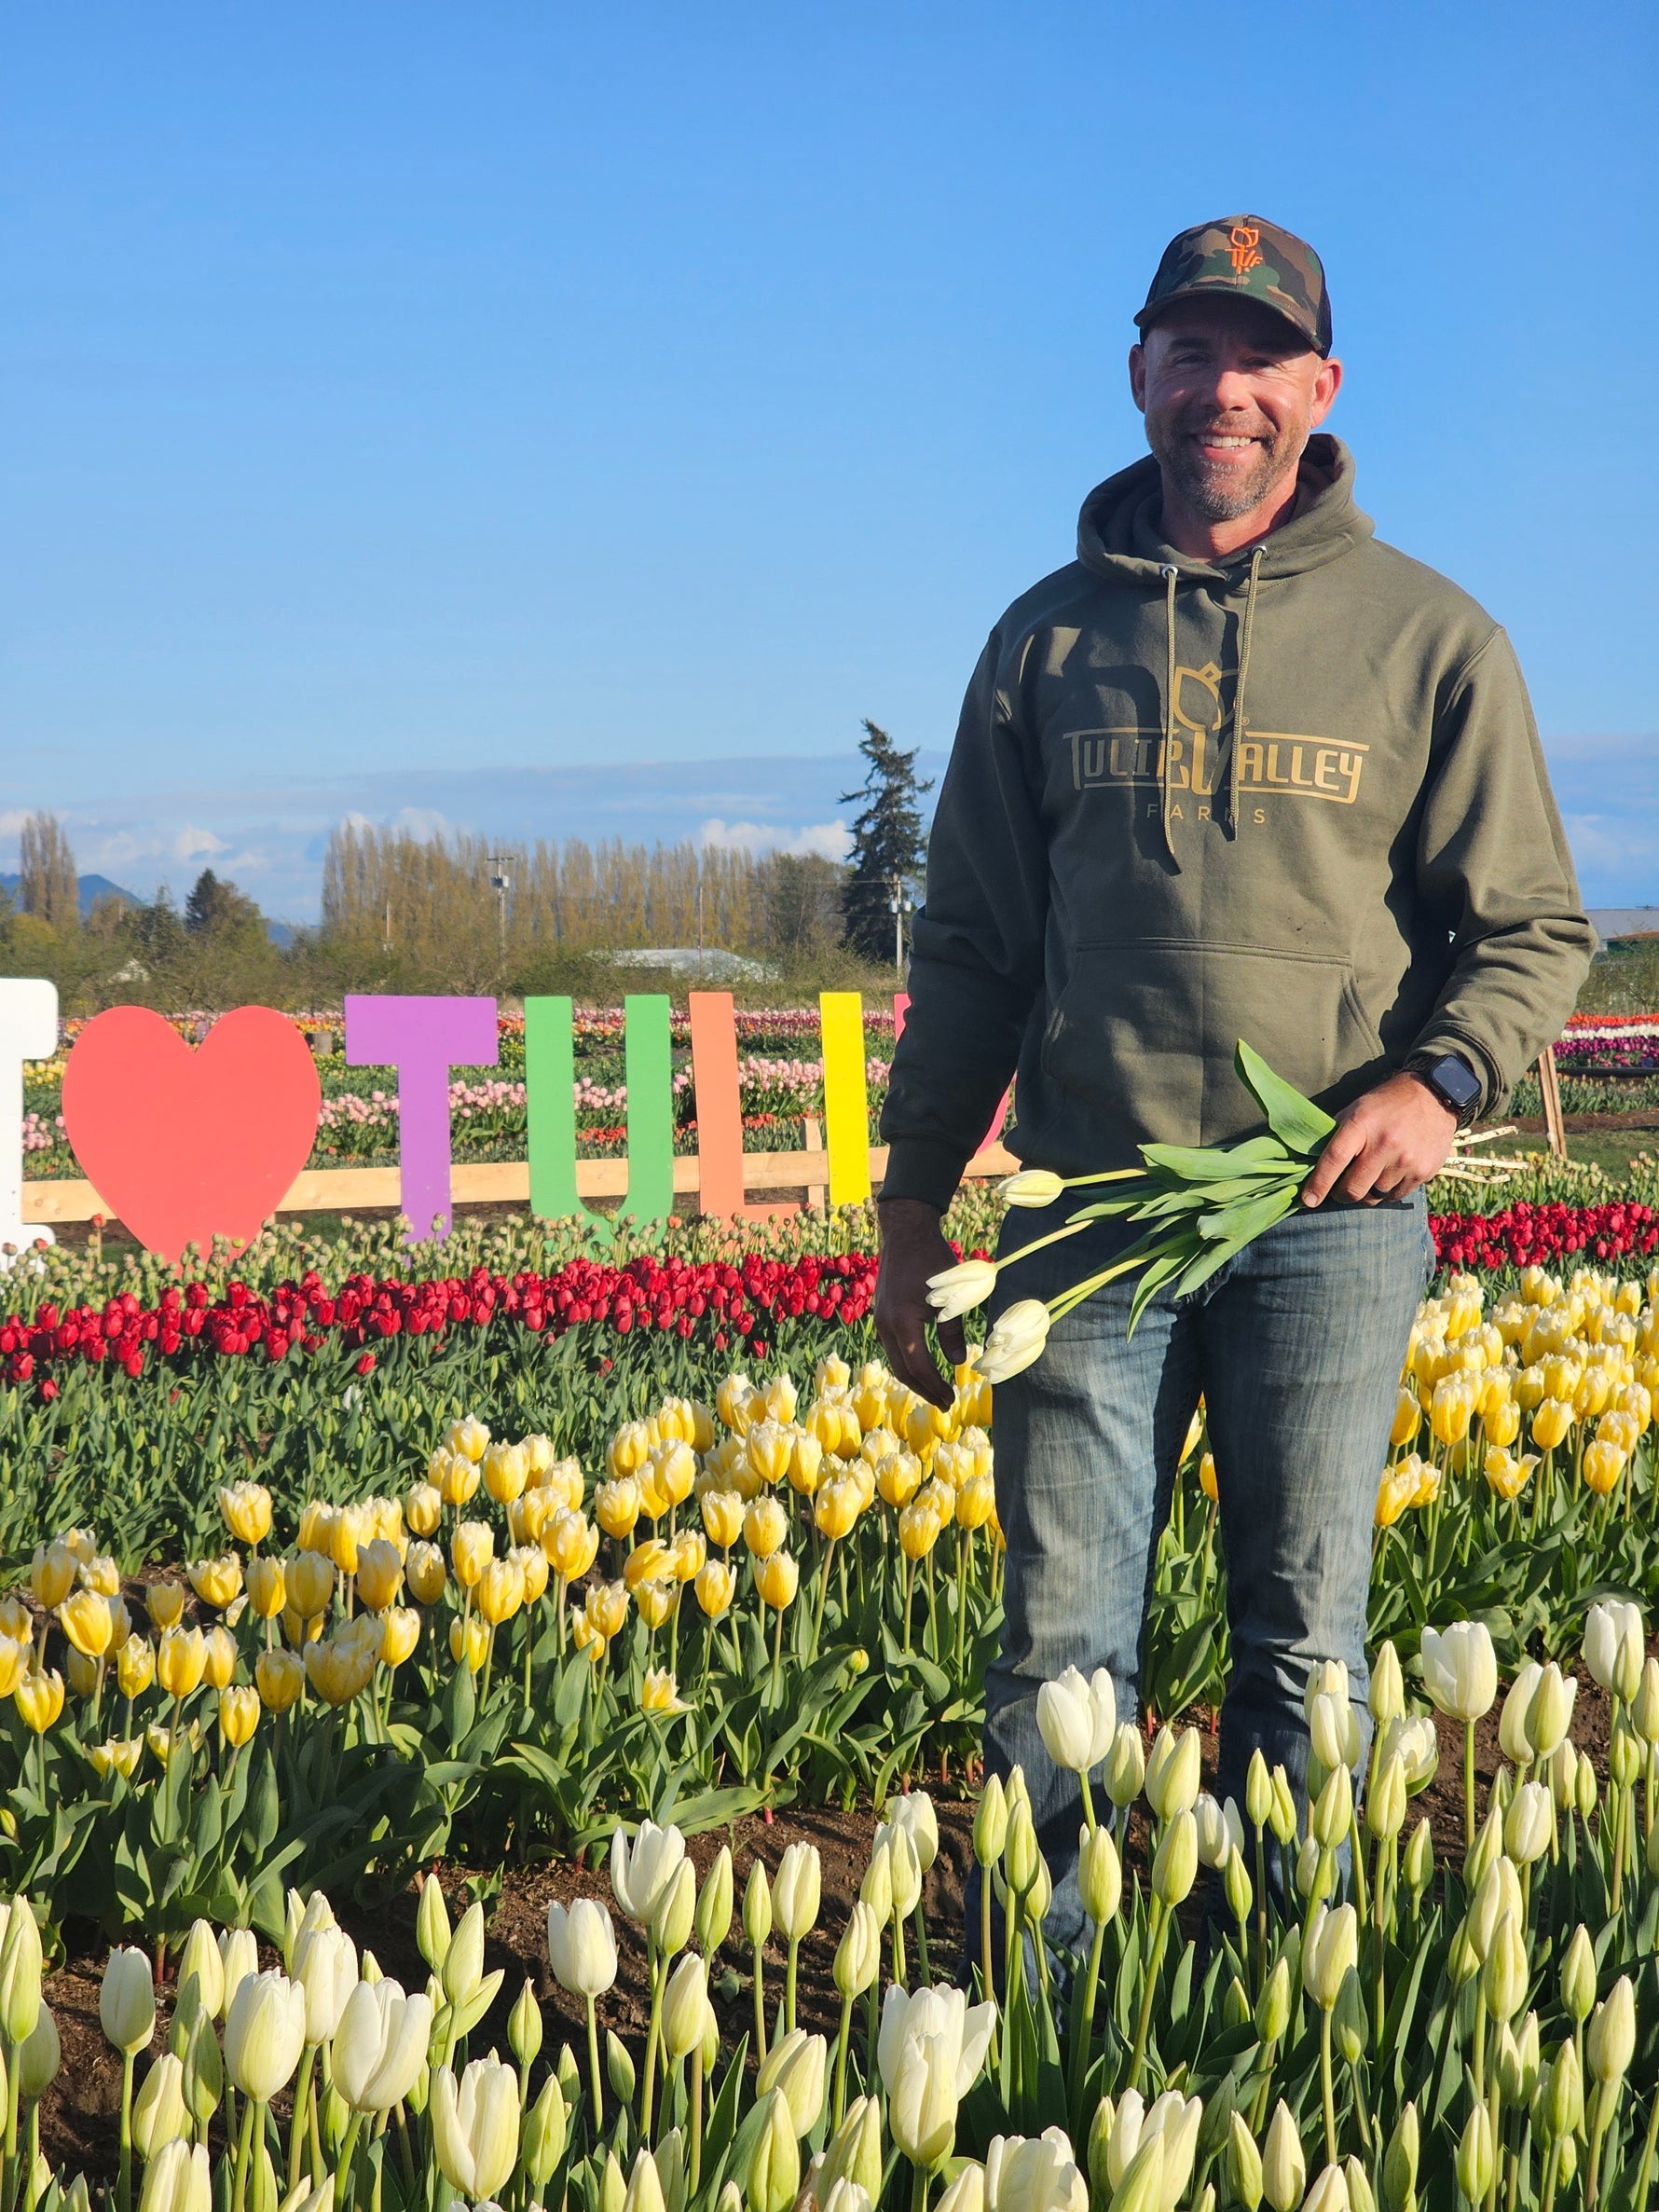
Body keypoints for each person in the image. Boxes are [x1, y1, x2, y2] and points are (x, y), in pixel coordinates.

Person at [874, 213, 1593, 1951]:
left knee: (1306, 1637)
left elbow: (1534, 925)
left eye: (1259, 355)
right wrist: (910, 1218)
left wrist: (1437, 1085)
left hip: (1327, 1216)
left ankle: (1292, 2001)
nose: (1223, 389)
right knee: (1057, 1646)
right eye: (1188, 351)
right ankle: (1049, 2016)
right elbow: (970, 951)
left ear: (1321, 387)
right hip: (1087, 1217)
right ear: (1137, 378)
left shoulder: (1432, 640)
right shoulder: (1043, 644)